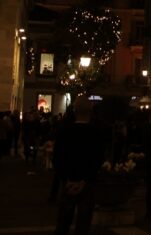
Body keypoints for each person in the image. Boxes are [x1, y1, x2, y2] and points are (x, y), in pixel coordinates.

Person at [52, 99, 105, 235]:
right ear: (90, 112)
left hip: (68, 182)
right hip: (87, 183)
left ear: (74, 111)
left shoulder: (64, 132)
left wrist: (67, 179)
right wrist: (84, 180)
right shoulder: (96, 133)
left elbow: (57, 158)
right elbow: (98, 159)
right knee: (83, 224)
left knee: (63, 222)